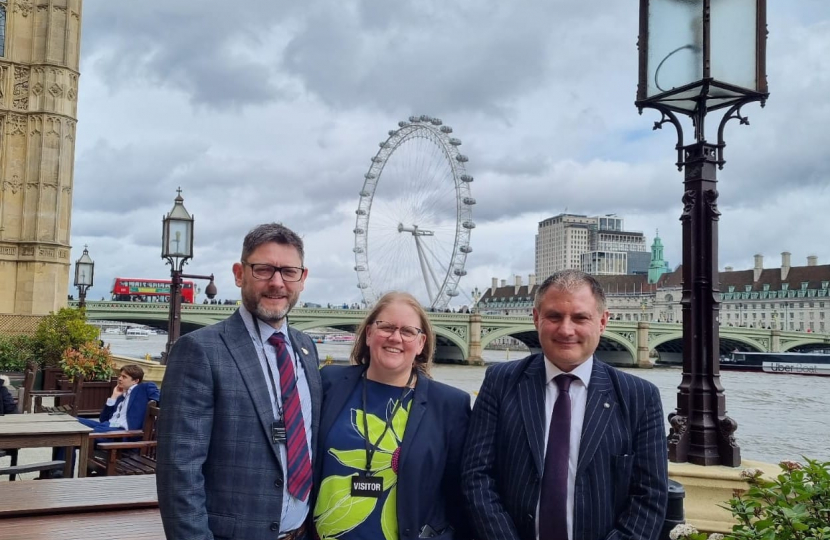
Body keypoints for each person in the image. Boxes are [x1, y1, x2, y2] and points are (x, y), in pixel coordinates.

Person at [462, 270, 668, 540]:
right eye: (554, 316)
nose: (566, 329)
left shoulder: (639, 397)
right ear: (536, 319)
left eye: (581, 317)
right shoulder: (500, 382)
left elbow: (649, 496)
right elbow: (476, 476)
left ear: (603, 322)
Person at [157, 223, 322, 540]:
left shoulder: (306, 349)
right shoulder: (201, 350)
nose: (277, 282)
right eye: (263, 269)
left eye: (288, 271)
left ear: (302, 278)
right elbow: (179, 471)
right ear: (239, 273)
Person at [313, 292, 471, 540]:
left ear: (421, 343)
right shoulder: (329, 383)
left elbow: (458, 494)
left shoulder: (450, 405)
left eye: (408, 331)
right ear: (368, 334)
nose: (395, 337)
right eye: (385, 327)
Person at [77, 364, 159, 433]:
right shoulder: (121, 396)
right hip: (111, 425)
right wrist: (114, 397)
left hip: (123, 431)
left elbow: (162, 401)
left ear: (135, 381)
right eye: (120, 376)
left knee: (77, 433)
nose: (119, 379)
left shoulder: (144, 388)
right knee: (72, 422)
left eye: (124, 377)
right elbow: (103, 419)